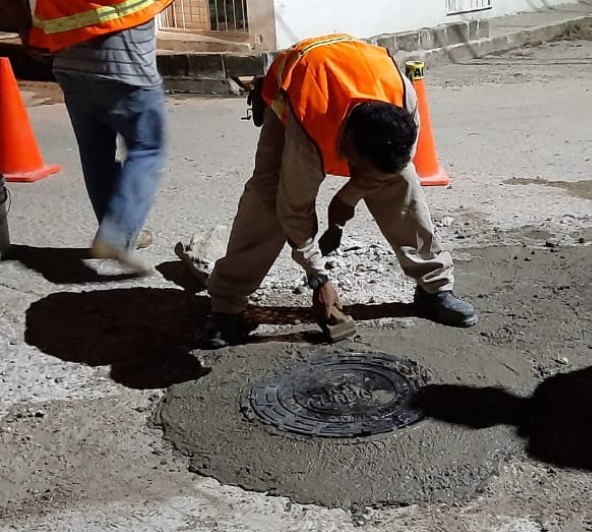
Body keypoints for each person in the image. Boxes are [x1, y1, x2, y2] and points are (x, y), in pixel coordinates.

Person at [202, 33, 477, 348]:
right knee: (268, 197)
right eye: (358, 169)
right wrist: (318, 278)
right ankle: (226, 307)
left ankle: (434, 287)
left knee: (400, 184)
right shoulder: (309, 128)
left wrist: (347, 197)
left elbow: (395, 167)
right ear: (347, 145)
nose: (360, 176)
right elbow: (294, 209)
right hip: (294, 92)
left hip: (355, 73)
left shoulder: (402, 100)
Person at [10, 0, 173, 274]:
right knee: (148, 148)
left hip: (69, 62)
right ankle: (116, 235)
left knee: (96, 151)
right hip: (124, 59)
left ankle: (113, 230)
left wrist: (27, 30)